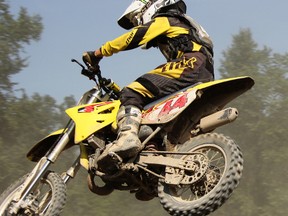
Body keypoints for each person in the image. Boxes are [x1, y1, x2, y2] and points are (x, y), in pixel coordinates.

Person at [83, 0, 214, 164]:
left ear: (149, 8)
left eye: (136, 19)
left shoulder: (166, 19)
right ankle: (153, 148)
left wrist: (99, 53)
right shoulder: (184, 24)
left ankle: (127, 137)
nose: (137, 23)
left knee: (132, 91)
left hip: (190, 65)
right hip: (204, 70)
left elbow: (133, 37)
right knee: (151, 108)